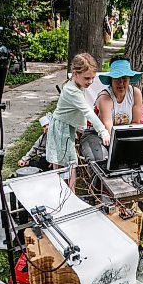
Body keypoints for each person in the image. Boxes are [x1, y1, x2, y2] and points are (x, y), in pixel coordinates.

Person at [45, 53, 110, 191]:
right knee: (67, 162)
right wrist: (103, 131)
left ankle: (66, 191)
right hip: (60, 128)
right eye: (87, 78)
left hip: (68, 126)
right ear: (75, 73)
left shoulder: (78, 85)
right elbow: (87, 111)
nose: (91, 81)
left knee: (67, 161)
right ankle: (67, 193)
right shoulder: (71, 91)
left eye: (93, 78)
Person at [79, 56, 143, 162]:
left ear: (130, 79)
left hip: (125, 135)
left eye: (125, 79)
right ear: (111, 80)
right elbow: (108, 129)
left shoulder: (136, 93)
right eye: (117, 79)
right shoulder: (105, 98)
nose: (121, 83)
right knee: (100, 160)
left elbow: (136, 122)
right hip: (99, 135)